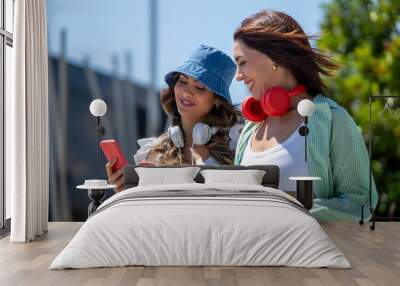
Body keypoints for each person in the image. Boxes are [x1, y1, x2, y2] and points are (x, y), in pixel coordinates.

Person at [232, 10, 378, 221]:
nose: (238, 76)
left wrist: (289, 210)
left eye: (242, 62)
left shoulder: (333, 119)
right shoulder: (249, 130)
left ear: (273, 56)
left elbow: (361, 205)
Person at [107, 44, 240, 192]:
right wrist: (124, 191)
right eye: (182, 81)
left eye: (200, 87)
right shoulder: (152, 150)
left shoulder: (236, 146)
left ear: (217, 99)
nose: (187, 92)